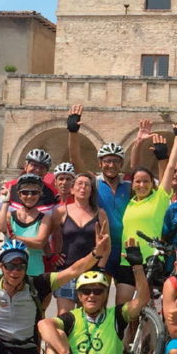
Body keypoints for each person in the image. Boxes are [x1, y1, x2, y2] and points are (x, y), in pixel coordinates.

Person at [34, 239, 150, 354]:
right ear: (79, 296)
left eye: (98, 291)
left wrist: (137, 266)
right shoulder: (73, 316)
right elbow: (43, 324)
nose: (91, 295)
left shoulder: (116, 315)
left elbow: (142, 299)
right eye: (86, 291)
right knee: (54, 336)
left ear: (106, 294)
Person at [116, 128, 177, 316]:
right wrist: (138, 143)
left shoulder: (159, 198)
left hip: (151, 261)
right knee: (124, 310)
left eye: (146, 181)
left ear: (152, 183)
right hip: (126, 260)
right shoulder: (129, 202)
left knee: (145, 310)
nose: (142, 185)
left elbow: (169, 168)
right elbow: (133, 166)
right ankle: (126, 345)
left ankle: (146, 344)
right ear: (133, 183)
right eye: (138, 182)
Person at [66, 104, 132, 286]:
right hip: (103, 247)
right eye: (107, 161)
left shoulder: (129, 186)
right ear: (100, 163)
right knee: (99, 294)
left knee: (124, 302)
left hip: (126, 248)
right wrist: (73, 132)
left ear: (121, 164)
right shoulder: (94, 183)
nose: (111, 165)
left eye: (116, 161)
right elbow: (75, 160)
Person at [52, 173, 111, 314]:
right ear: (72, 189)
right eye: (79, 184)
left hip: (91, 271)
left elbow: (106, 245)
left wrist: (100, 268)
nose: (83, 187)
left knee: (89, 316)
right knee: (64, 316)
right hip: (67, 270)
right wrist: (53, 255)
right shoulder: (61, 212)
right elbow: (52, 236)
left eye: (87, 185)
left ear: (91, 190)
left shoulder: (100, 214)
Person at [0, 173, 55, 278]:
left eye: (34, 193)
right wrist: (5, 202)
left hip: (34, 271)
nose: (29, 196)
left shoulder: (45, 218)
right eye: (25, 192)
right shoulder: (10, 216)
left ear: (40, 194)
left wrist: (15, 238)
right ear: (19, 195)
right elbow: (0, 227)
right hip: (10, 271)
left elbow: (39, 242)